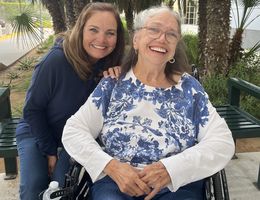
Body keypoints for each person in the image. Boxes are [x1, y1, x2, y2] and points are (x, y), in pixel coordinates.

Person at [62, 6, 235, 200]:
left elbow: (222, 142)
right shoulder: (112, 85)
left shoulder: (189, 89)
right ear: (136, 40)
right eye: (154, 29)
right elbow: (74, 130)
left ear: (175, 48)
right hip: (116, 184)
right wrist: (111, 167)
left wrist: (171, 169)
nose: (162, 38)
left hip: (176, 187)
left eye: (171, 34)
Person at [15, 2, 125, 200]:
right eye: (94, 30)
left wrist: (116, 78)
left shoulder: (111, 67)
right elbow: (32, 110)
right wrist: (50, 152)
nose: (102, 39)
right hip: (37, 131)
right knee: (33, 187)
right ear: (81, 29)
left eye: (110, 33)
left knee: (66, 188)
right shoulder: (56, 61)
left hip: (75, 138)